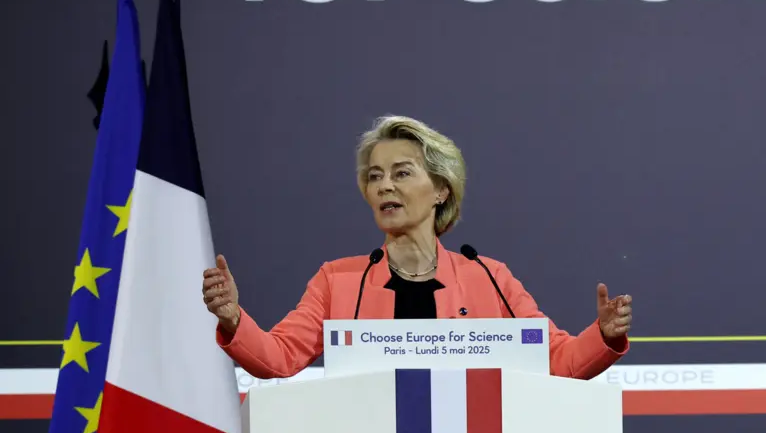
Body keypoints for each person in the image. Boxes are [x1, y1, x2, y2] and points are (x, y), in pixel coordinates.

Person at [201, 115, 632, 381]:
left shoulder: (487, 277)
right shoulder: (339, 280)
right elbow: (278, 358)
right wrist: (233, 319)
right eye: (374, 176)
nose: (384, 184)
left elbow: (558, 360)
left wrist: (604, 336)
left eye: (402, 173)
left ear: (441, 189)